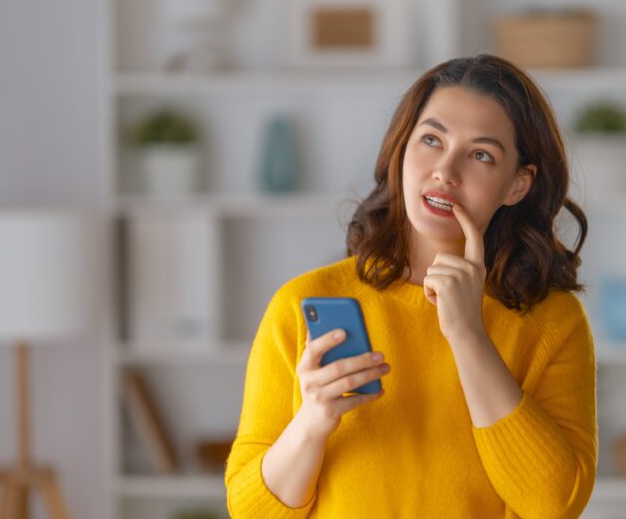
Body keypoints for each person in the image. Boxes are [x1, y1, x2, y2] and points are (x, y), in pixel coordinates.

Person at [225, 54, 597, 519]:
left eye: (481, 154)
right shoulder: (299, 305)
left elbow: (554, 505)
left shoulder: (552, 321)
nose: (445, 170)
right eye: (431, 140)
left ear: (517, 185)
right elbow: (249, 511)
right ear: (401, 150)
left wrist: (468, 335)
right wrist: (313, 422)